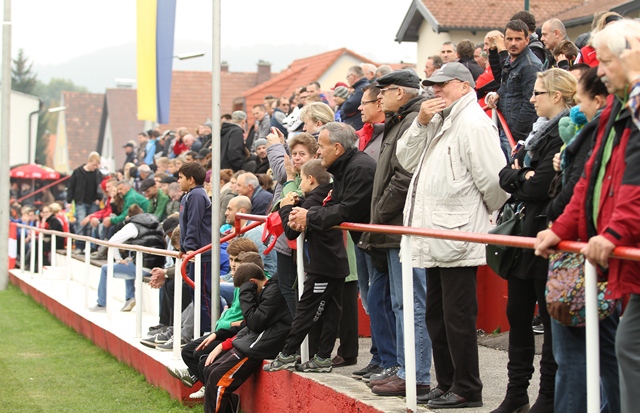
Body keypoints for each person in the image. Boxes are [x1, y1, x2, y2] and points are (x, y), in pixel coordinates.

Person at [536, 19, 640, 413]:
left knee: (624, 350)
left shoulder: (629, 107)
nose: (600, 70)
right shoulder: (615, 111)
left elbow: (634, 183)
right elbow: (592, 181)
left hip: (624, 249)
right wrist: (561, 228)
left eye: (608, 62)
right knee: (621, 349)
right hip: (620, 257)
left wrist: (613, 233)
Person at [398, 62, 508, 409]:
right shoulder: (439, 120)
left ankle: (467, 387)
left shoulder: (474, 122)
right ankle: (448, 382)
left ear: (464, 86)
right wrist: (420, 123)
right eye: (432, 85)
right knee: (438, 316)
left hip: (458, 234)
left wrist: (477, 219)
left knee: (457, 319)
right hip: (437, 233)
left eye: (442, 85)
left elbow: (496, 182)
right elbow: (406, 160)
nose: (435, 91)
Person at [496, 68, 576, 413]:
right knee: (517, 315)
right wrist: (520, 175)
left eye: (537, 93)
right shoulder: (535, 132)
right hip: (524, 237)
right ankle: (516, 393)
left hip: (547, 238)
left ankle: (547, 397)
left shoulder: (564, 132)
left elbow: (540, 186)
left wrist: (520, 175)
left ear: (556, 96)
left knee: (549, 321)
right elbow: (505, 173)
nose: (531, 99)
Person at [358, 70, 432, 397]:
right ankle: (404, 370)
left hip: (400, 226)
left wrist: (381, 212)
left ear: (399, 93)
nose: (379, 98)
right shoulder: (399, 120)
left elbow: (403, 176)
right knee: (399, 303)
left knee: (410, 304)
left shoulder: (412, 120)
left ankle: (414, 375)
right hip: (392, 227)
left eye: (384, 91)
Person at [265, 159, 349, 373]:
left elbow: (291, 231)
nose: (299, 184)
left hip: (322, 266)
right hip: (336, 262)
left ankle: (287, 354)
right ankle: (323, 357)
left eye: (301, 179)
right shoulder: (330, 194)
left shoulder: (311, 203)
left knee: (306, 309)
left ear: (311, 179)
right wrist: (298, 201)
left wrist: (285, 207)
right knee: (332, 311)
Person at [203, 263, 292, 413]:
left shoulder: (274, 292)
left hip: (258, 346)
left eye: (243, 289)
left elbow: (255, 323)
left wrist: (246, 294)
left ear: (252, 283)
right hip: (249, 342)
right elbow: (249, 324)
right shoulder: (267, 290)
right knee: (210, 370)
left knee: (218, 379)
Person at [266, 130, 319, 316]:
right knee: (286, 286)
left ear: (314, 156)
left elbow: (288, 200)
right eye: (294, 153)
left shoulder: (310, 177)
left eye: (302, 154)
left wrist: (289, 179)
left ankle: (301, 329)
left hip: (300, 240)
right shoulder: (292, 173)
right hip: (285, 242)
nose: (296, 158)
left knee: (294, 288)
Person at [89, 204, 166, 312]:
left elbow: (112, 242)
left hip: (143, 267)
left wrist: (118, 259)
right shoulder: (156, 223)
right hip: (159, 266)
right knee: (130, 262)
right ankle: (130, 298)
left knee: (105, 269)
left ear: (129, 217)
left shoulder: (132, 225)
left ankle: (101, 304)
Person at [487, 20, 543, 159]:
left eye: (518, 39)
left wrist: (516, 134)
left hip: (517, 135)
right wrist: (499, 94)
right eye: (509, 39)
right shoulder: (511, 59)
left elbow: (531, 103)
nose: (513, 43)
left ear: (527, 40)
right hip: (506, 128)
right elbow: (505, 83)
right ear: (504, 41)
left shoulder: (530, 66)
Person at [178, 161, 214, 334]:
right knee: (196, 294)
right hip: (194, 252)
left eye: (180, 177)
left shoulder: (197, 196)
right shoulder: (189, 195)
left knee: (202, 295)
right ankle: (199, 332)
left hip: (202, 254)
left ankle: (207, 332)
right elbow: (185, 225)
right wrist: (183, 247)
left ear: (191, 179)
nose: (178, 181)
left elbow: (194, 223)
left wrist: (190, 247)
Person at [66, 151, 103, 252]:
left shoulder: (97, 174)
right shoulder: (78, 172)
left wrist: (99, 198)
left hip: (93, 202)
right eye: (94, 164)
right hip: (80, 201)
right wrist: (69, 201)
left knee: (91, 225)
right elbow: (71, 186)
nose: (95, 167)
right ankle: (79, 245)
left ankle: (89, 246)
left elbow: (100, 187)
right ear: (89, 161)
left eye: (96, 165)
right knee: (81, 222)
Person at [341, 65, 370, 131]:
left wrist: (344, 113)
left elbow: (347, 107)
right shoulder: (360, 88)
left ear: (353, 76)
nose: (347, 80)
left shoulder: (362, 89)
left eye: (348, 77)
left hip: (357, 127)